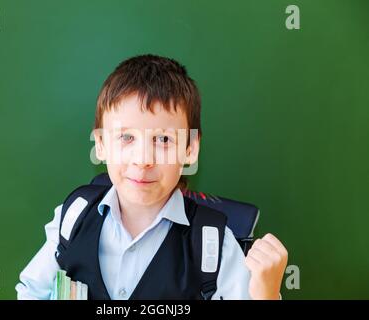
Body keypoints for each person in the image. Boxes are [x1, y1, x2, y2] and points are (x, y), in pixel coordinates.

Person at [16, 54, 288, 300]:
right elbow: (31, 293)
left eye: (163, 139)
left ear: (190, 149)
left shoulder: (214, 245)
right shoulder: (72, 218)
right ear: (100, 145)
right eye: (126, 137)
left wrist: (267, 293)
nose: (143, 159)